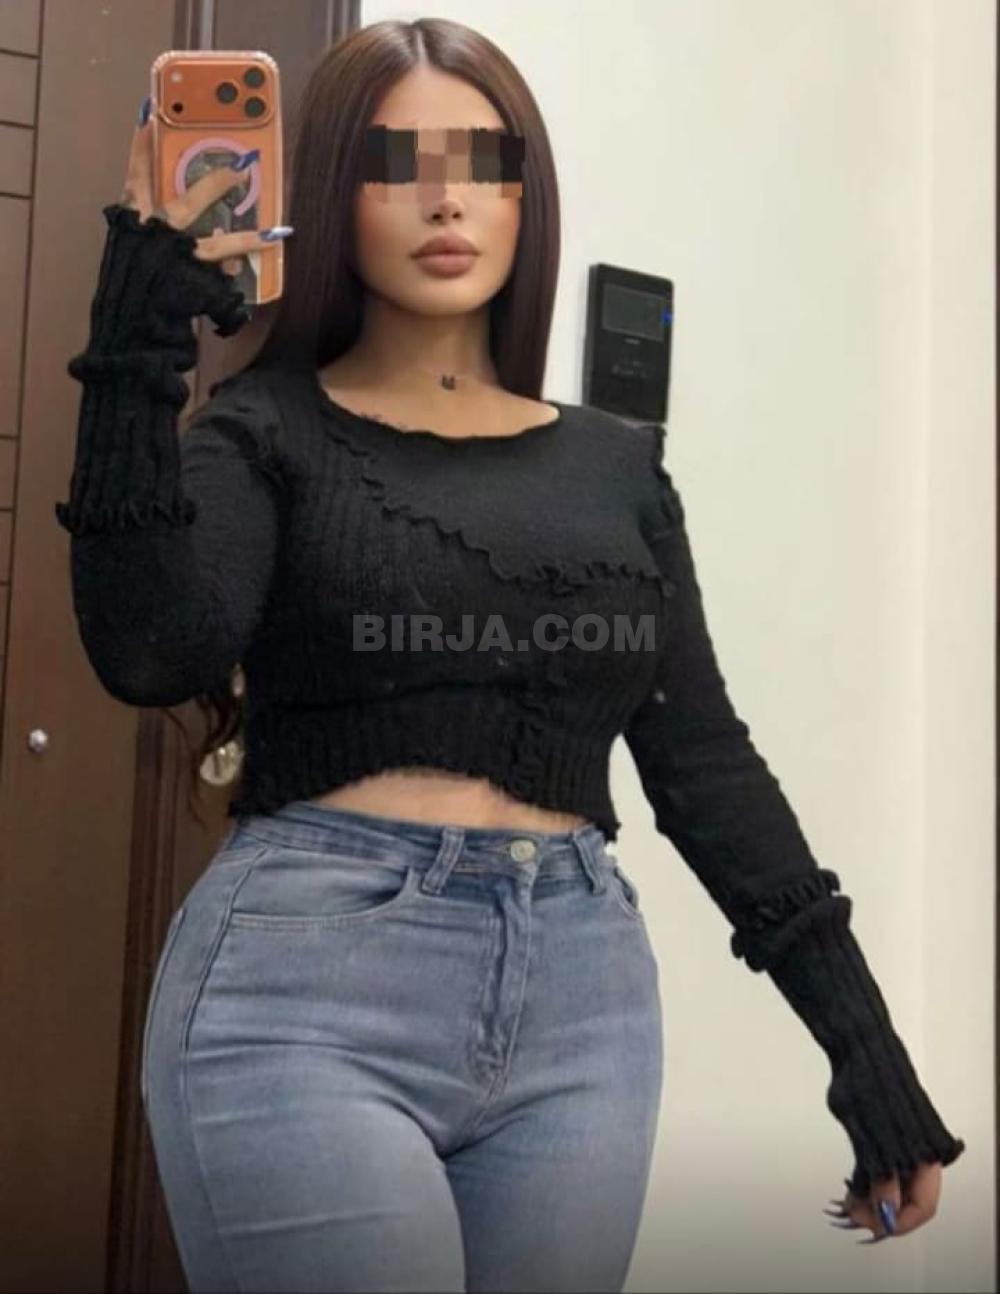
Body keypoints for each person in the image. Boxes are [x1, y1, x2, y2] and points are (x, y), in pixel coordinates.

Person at [55, 17, 964, 1294]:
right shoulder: (264, 431)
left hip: (581, 1006)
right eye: (397, 163)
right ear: (334, 192)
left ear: (524, 192)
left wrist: (862, 1045)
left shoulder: (614, 466)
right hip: (306, 990)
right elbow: (151, 650)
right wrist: (138, 337)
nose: (447, 197)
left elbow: (703, 761)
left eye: (483, 161)